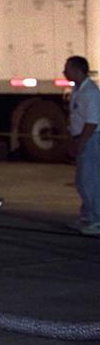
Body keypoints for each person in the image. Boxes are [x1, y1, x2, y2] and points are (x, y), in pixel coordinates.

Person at [64, 55, 100, 235]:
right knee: (81, 181)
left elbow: (92, 122)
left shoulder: (90, 92)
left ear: (77, 70)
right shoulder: (78, 90)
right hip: (81, 137)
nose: (64, 72)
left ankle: (97, 219)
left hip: (91, 139)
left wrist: (82, 142)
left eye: (67, 68)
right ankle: (87, 216)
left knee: (90, 180)